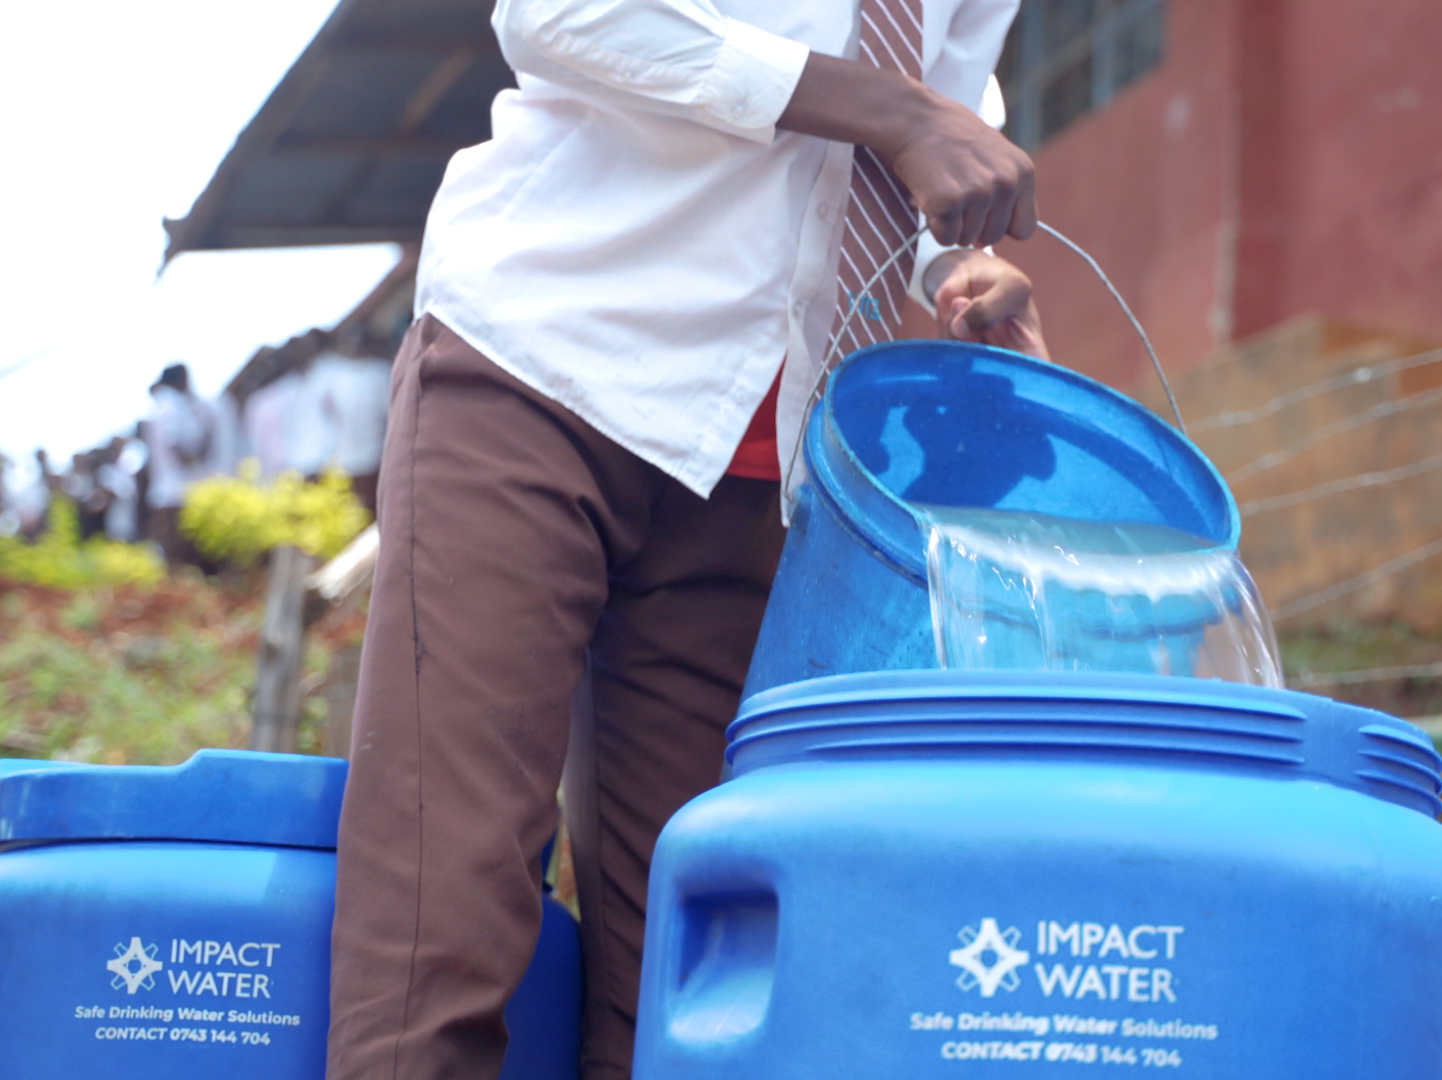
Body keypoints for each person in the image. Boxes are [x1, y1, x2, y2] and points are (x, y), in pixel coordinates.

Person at [327, 2, 1049, 1079]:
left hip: (752, 459)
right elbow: (562, 15)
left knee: (684, 971)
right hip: (542, 358)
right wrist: (894, 111)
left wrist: (955, 267)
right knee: (448, 908)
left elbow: (932, 120)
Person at [143, 364, 220, 567]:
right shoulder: (171, 404)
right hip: (177, 492)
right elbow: (175, 443)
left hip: (170, 490)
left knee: (176, 558)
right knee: (181, 558)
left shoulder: (165, 404)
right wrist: (194, 460)